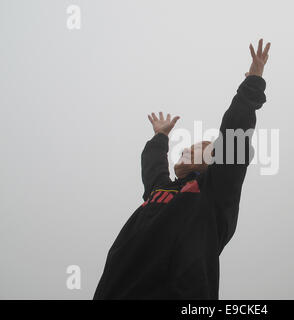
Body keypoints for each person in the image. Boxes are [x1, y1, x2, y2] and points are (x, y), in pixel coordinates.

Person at [93, 39, 271, 299]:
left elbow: (234, 134)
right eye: (188, 146)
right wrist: (160, 137)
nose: (187, 148)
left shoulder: (215, 193)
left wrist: (252, 84)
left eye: (199, 147)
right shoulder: (160, 189)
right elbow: (153, 166)